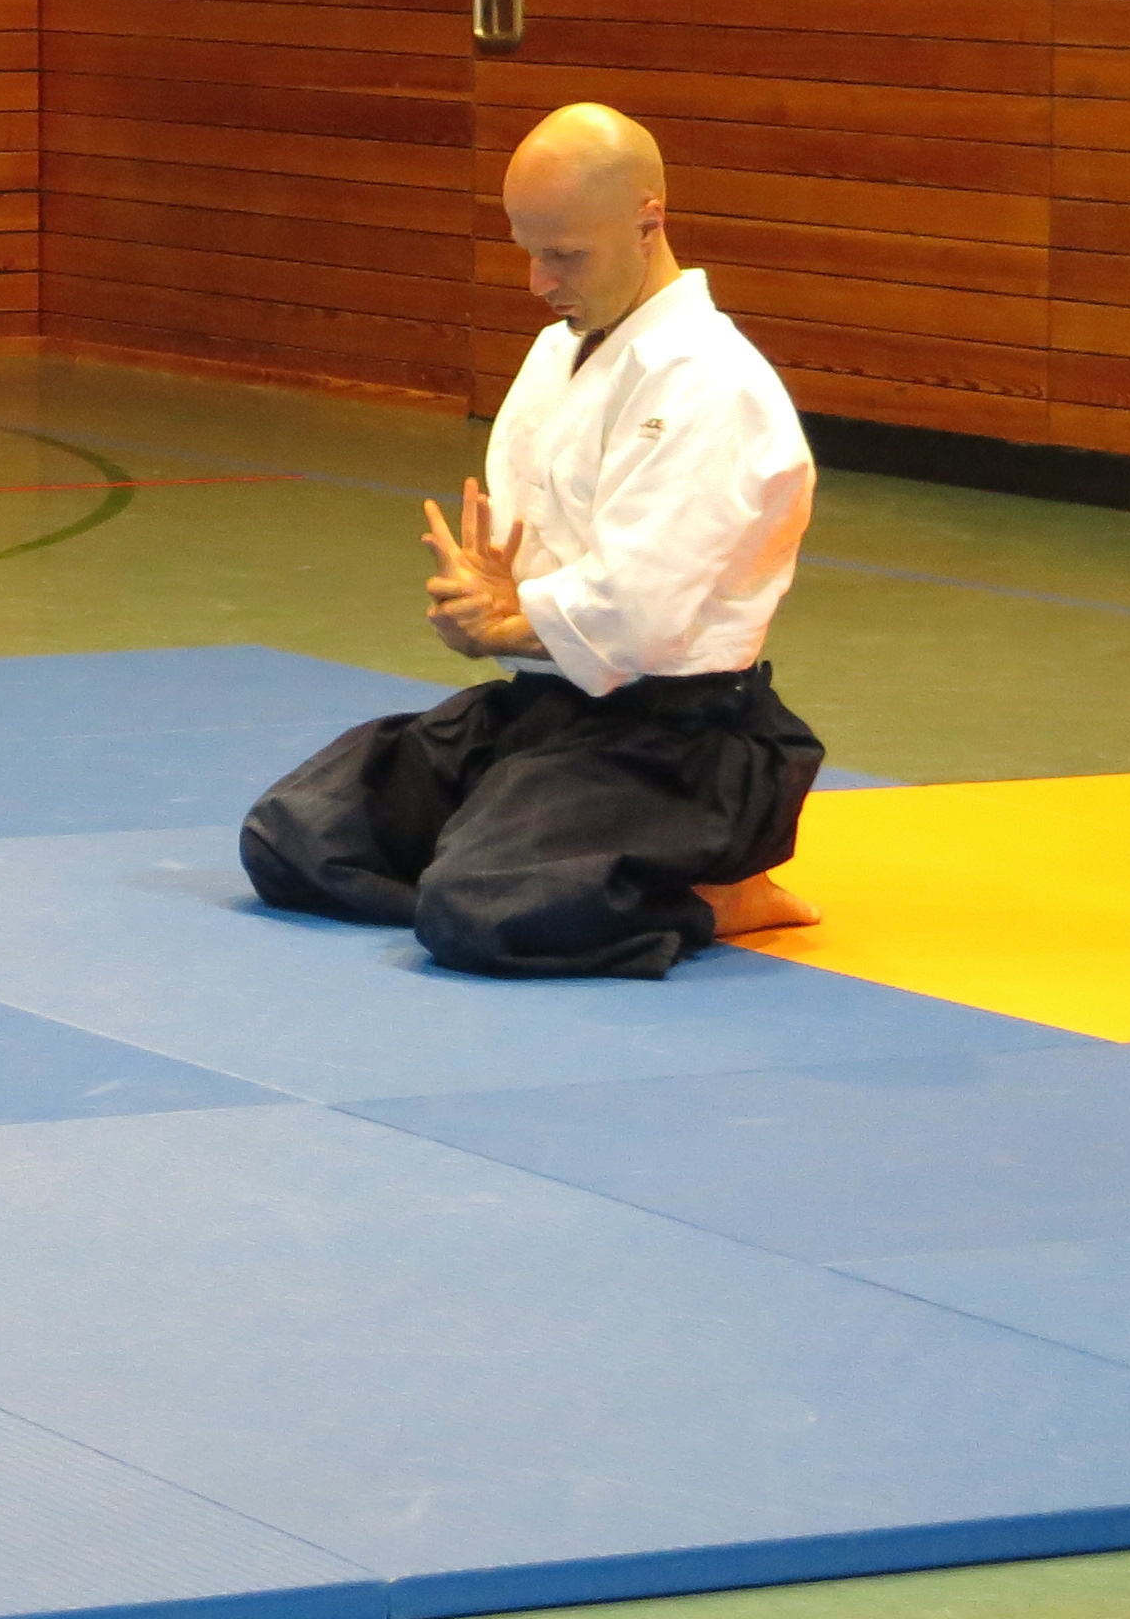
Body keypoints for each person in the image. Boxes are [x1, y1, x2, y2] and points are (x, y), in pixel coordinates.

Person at [239, 102, 826, 979]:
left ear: (649, 221)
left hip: (681, 744)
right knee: (294, 835)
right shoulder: (558, 354)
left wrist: (510, 622)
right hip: (545, 713)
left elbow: (638, 619)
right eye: (527, 250)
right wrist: (484, 605)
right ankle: (532, 866)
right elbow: (523, 575)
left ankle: (709, 899)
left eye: (564, 255)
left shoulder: (713, 385)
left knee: (479, 908)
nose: (538, 281)